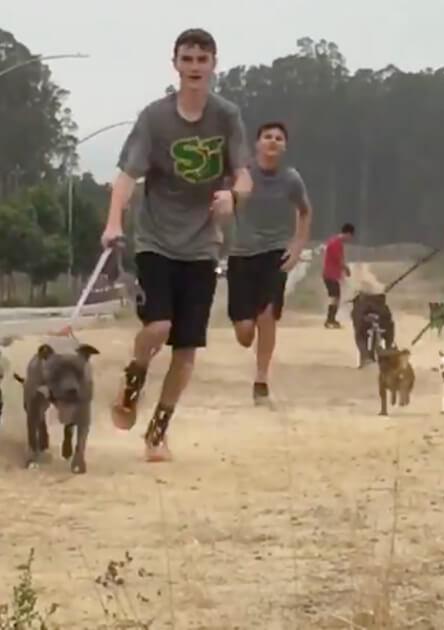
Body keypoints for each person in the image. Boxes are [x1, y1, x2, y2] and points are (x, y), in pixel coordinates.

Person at [101, 28, 253, 462]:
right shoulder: (154, 118)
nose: (194, 68)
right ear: (175, 65)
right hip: (155, 240)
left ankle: (158, 431)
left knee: (186, 348)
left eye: (202, 60)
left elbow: (243, 174)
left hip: (202, 246)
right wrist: (114, 222)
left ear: (213, 65)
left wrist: (233, 195)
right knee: (158, 327)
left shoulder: (227, 117)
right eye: (187, 60)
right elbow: (127, 176)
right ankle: (134, 379)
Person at [225, 121, 313, 406]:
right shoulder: (243, 175)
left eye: (278, 138)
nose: (273, 141)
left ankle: (261, 379)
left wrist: (298, 246)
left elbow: (305, 211)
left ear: (285, 146)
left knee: (268, 315)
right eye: (267, 137)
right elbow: (222, 202)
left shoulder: (291, 179)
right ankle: (245, 330)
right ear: (257, 143)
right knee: (244, 332)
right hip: (241, 254)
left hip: (275, 254)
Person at [322, 223, 354, 329]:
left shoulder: (334, 241)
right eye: (350, 236)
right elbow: (338, 259)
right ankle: (329, 320)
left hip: (331, 274)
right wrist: (346, 269)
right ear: (348, 233)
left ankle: (331, 319)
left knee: (335, 297)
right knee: (335, 297)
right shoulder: (336, 243)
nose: (350, 239)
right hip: (330, 274)